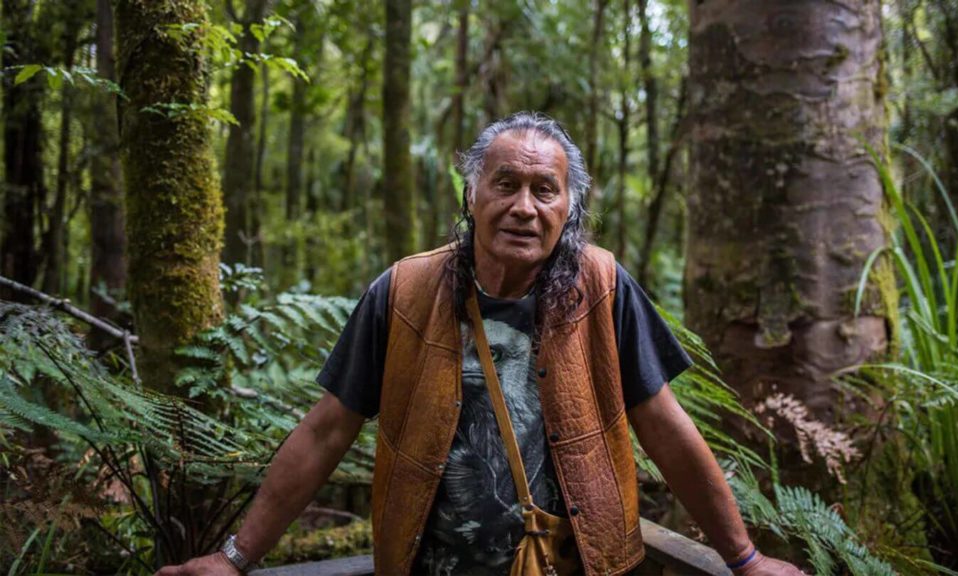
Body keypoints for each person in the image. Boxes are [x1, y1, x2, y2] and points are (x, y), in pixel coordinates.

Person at [157, 112, 803, 576]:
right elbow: (327, 430)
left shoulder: (602, 288)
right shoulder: (404, 291)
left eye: (544, 189)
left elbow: (663, 426)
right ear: (472, 194)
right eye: (505, 184)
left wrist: (744, 560)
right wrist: (236, 558)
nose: (524, 206)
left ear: (568, 207)